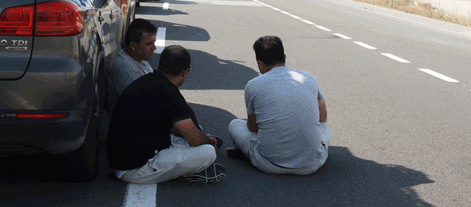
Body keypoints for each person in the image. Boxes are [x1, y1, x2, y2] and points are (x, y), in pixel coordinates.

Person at [107, 45, 226, 184]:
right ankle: (186, 173)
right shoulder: (170, 93)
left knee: (192, 130)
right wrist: (208, 141)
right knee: (207, 152)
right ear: (185, 72)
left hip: (121, 159)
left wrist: (200, 137)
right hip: (135, 169)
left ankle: (196, 150)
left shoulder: (146, 80)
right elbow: (194, 139)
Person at [227, 36, 330, 175]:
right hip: (312, 164)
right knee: (324, 127)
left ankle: (250, 153)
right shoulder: (307, 77)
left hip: (269, 163)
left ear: (260, 63)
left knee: (235, 124)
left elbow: (253, 127)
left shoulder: (253, 85)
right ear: (284, 57)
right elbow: (323, 117)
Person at [105, 18, 157, 114]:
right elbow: (144, 107)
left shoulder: (140, 60)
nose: (154, 47)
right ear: (133, 46)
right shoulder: (126, 69)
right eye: (149, 44)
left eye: (154, 42)